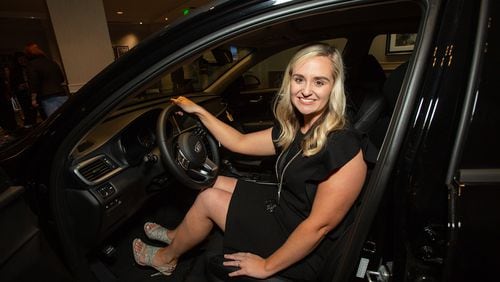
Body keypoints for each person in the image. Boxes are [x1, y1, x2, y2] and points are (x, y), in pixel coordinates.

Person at [132, 43, 376, 280]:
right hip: (286, 206)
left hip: (301, 239)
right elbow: (239, 142)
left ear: (334, 87)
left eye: (319, 82)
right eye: (299, 79)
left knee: (208, 199)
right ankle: (178, 236)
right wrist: (199, 112)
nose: (306, 90)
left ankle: (166, 258)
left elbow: (318, 227)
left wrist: (266, 266)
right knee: (213, 182)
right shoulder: (298, 126)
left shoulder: (343, 148)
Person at [24, 43, 68, 117]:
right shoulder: (52, 62)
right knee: (68, 117)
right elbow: (61, 78)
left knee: (54, 120)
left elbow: (34, 82)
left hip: (47, 96)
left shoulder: (31, 65)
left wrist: (33, 99)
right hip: (61, 93)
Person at [10, 52, 37, 128]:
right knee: (27, 111)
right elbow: (12, 84)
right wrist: (19, 87)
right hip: (22, 94)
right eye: (20, 59)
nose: (22, 61)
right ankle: (28, 126)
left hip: (32, 92)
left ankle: (33, 125)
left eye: (23, 59)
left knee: (34, 110)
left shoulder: (30, 67)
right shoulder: (15, 71)